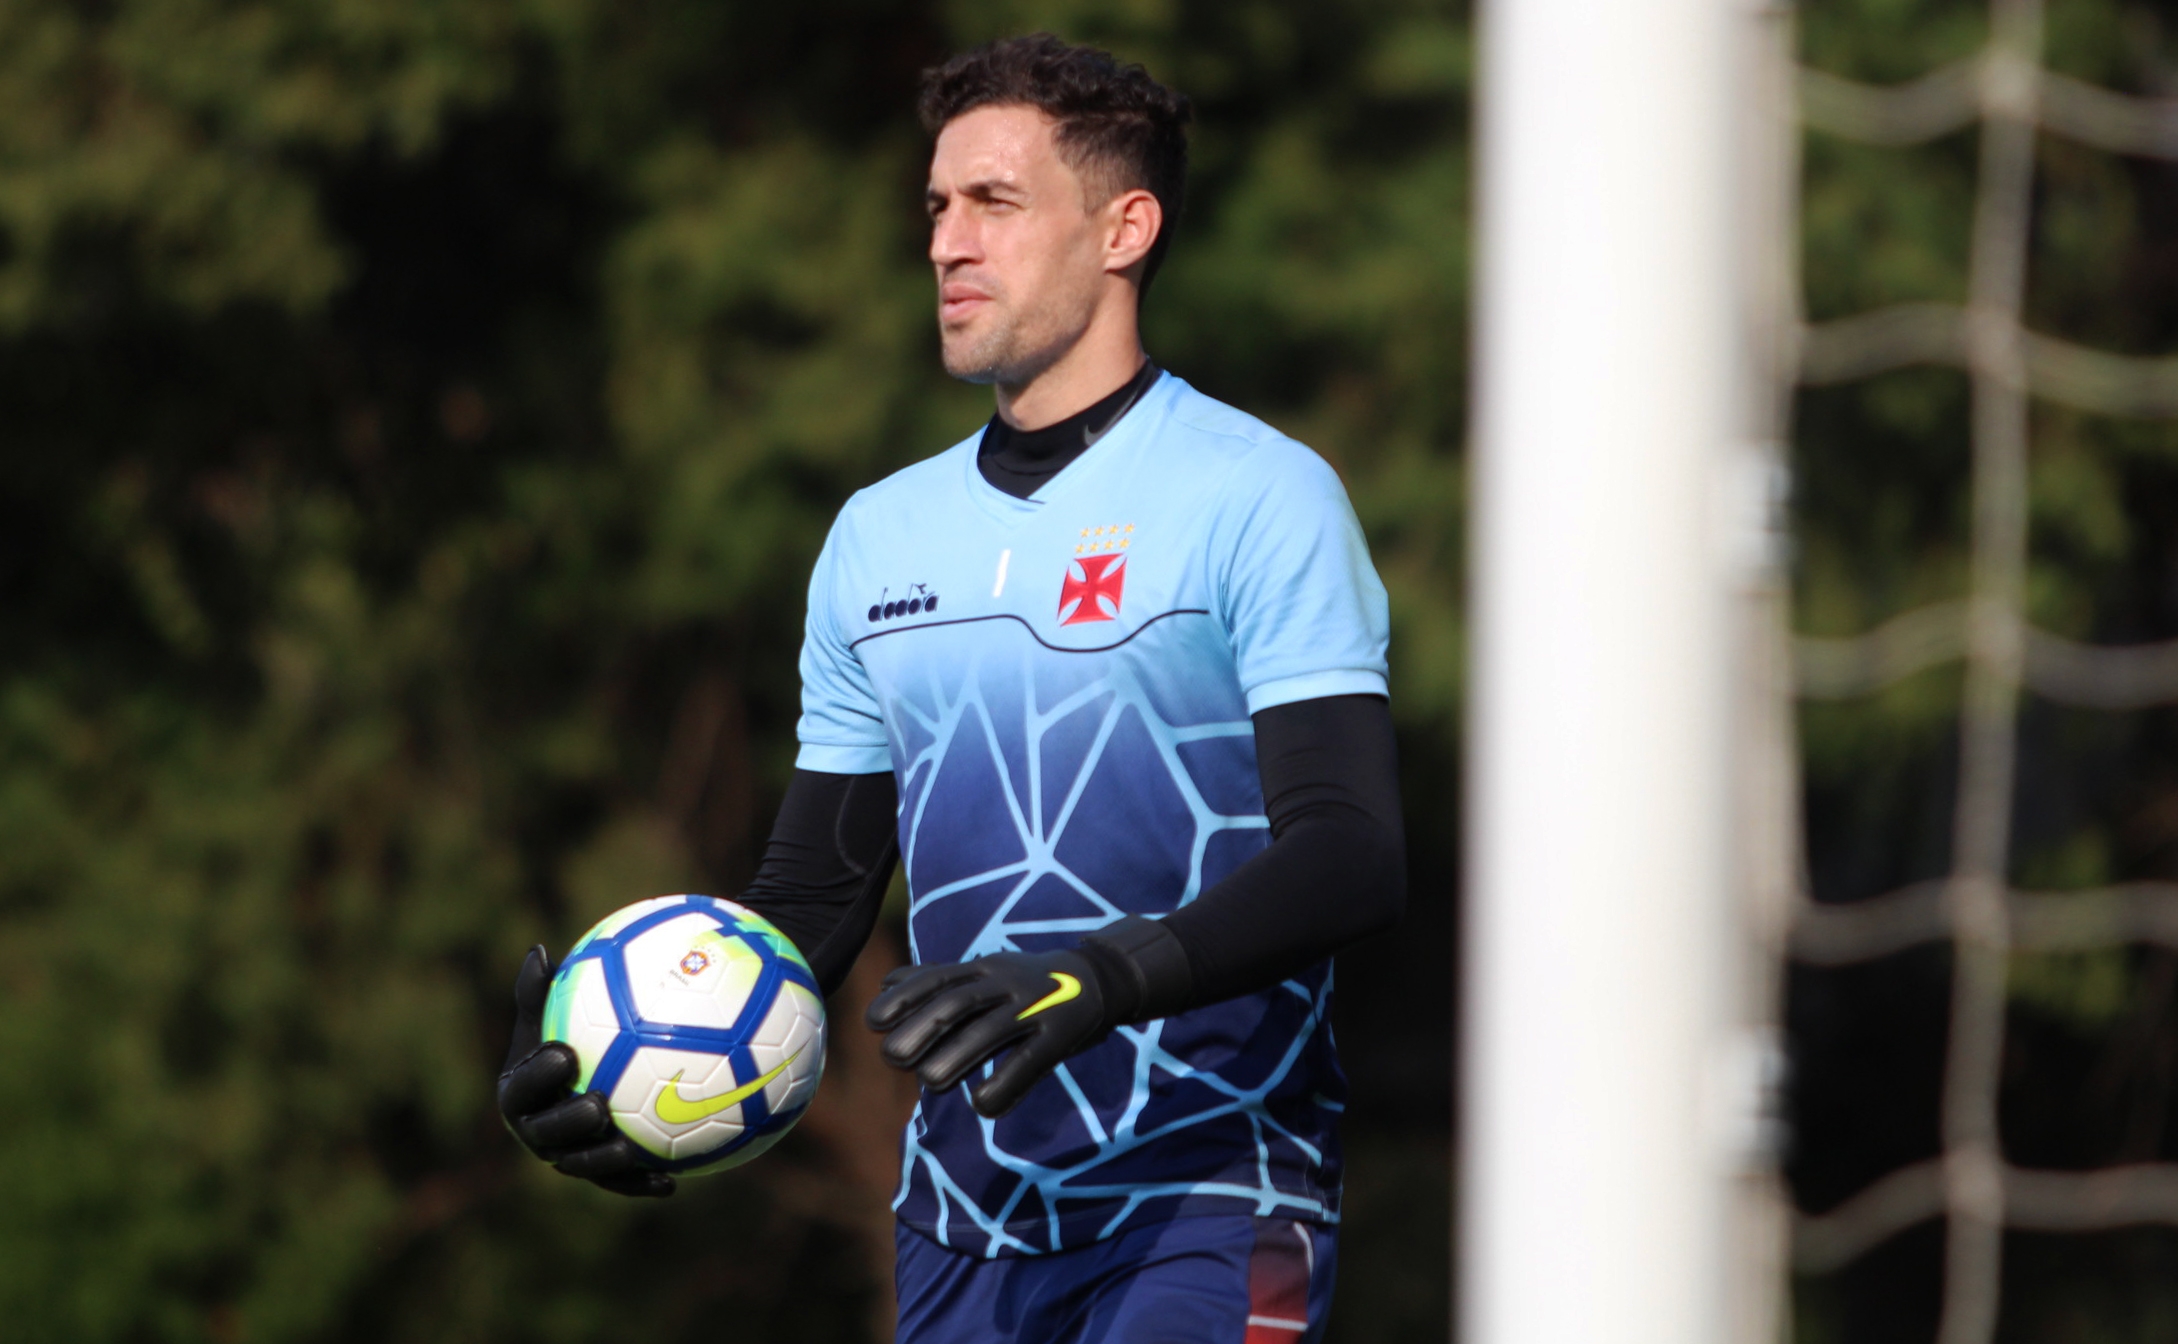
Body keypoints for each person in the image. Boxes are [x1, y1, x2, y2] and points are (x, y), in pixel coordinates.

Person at [497, 33, 1405, 1344]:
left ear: (1124, 229)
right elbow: (812, 902)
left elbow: (1351, 854)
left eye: (994, 202)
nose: (945, 242)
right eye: (935, 206)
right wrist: (633, 1080)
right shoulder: (878, 536)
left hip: (1217, 1196)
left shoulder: (1260, 496)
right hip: (963, 1220)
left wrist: (1097, 977)